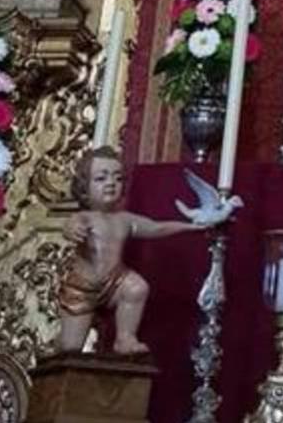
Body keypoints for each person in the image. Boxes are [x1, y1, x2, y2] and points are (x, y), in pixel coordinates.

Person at [55, 146, 209, 354]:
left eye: (117, 178)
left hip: (115, 283)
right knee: (70, 348)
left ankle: (125, 338)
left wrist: (191, 226)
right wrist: (73, 230)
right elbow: (70, 226)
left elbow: (157, 227)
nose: (111, 183)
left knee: (136, 287)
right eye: (101, 178)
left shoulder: (124, 220)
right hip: (83, 289)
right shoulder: (85, 218)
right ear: (84, 187)